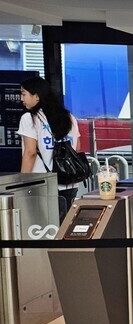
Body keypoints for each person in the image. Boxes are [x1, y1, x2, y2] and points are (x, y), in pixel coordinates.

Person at [18, 77, 81, 222]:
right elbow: (77, 147)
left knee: (42, 227)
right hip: (69, 182)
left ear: (36, 96)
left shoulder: (30, 118)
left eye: (23, 94)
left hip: (41, 184)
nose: (22, 99)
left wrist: (22, 183)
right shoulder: (69, 117)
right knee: (64, 226)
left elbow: (30, 152)